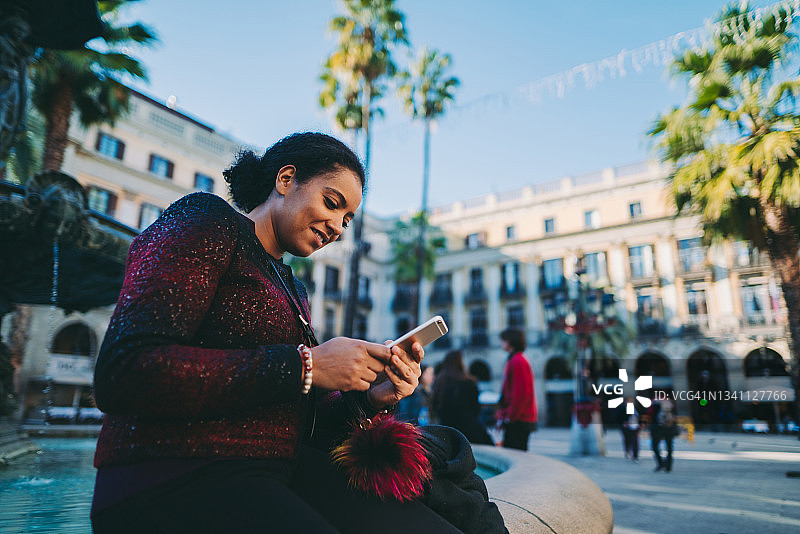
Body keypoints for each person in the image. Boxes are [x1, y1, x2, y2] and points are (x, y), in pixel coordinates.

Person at [90, 132, 463, 533]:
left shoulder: (293, 288)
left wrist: (372, 398)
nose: (338, 227)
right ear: (285, 180)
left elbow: (305, 428)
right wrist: (306, 366)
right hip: (171, 475)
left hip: (278, 474)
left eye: (347, 219)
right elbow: (124, 371)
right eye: (332, 204)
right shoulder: (206, 219)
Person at [431, 351, 493, 445]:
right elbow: (475, 409)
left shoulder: (439, 383)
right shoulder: (468, 382)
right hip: (469, 431)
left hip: (447, 431)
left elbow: (435, 406)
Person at [496, 328, 538, 451]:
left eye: (503, 340)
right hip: (518, 418)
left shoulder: (517, 361)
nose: (501, 343)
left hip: (519, 420)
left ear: (510, 342)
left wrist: (510, 417)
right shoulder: (516, 360)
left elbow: (521, 393)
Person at [649, 397, 677, 472]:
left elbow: (650, 414)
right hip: (663, 429)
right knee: (666, 447)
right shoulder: (658, 405)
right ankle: (665, 465)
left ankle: (664, 464)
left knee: (662, 447)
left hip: (662, 429)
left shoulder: (656, 404)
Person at [619, 397, 641, 462]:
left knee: (635, 441)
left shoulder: (636, 409)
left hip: (635, 427)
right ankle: (627, 451)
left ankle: (635, 456)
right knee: (627, 440)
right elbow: (619, 418)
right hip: (627, 427)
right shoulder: (623, 409)